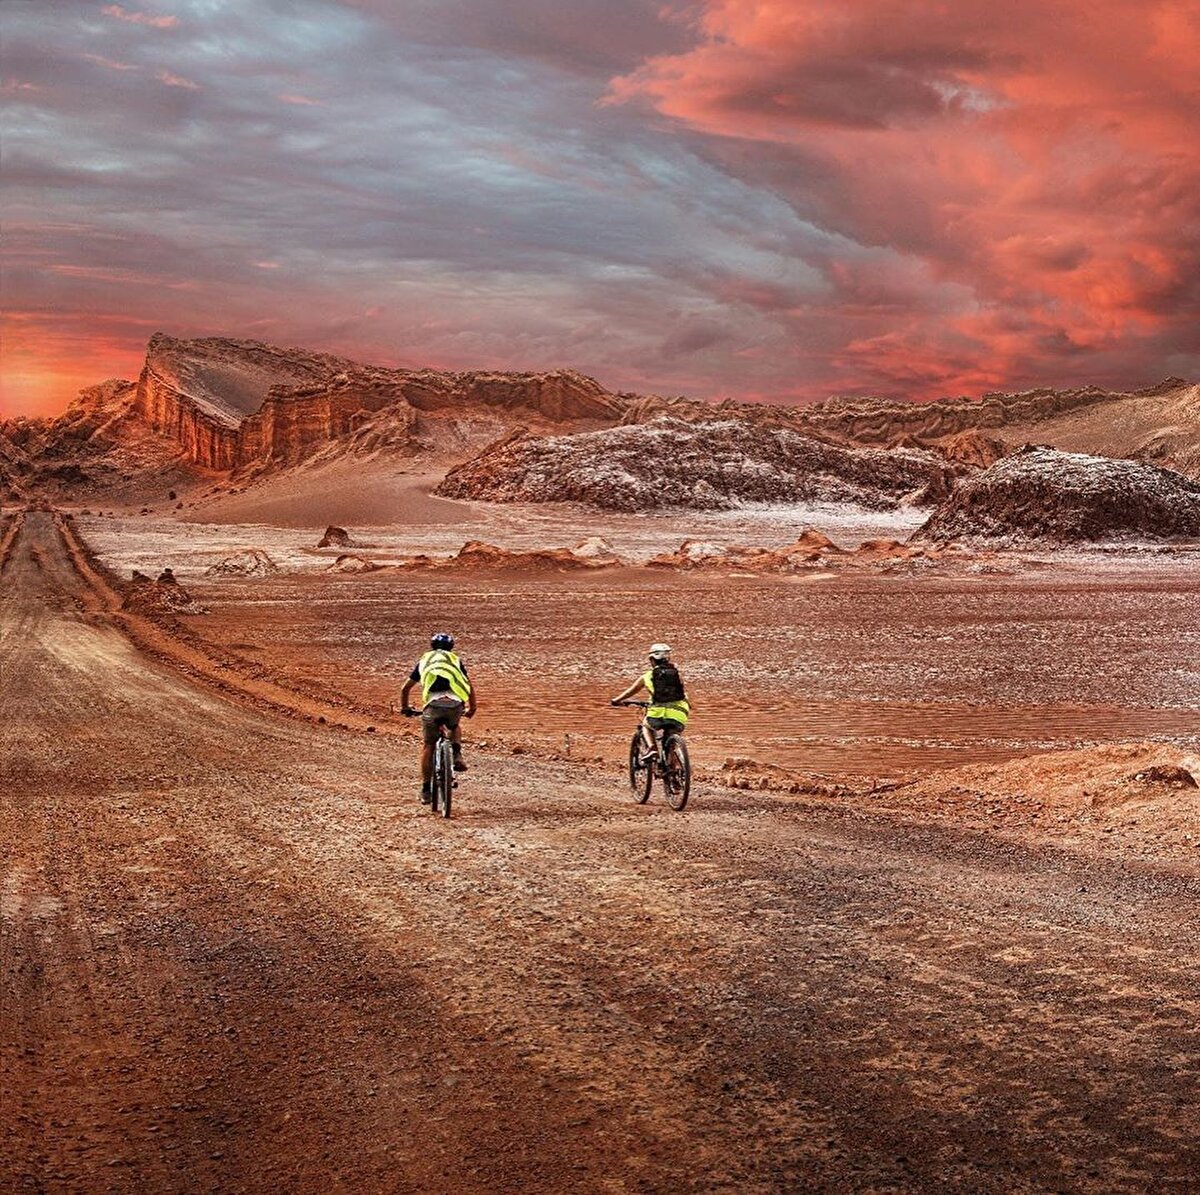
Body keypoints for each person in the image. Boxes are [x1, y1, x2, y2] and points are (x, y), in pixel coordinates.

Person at [400, 632, 476, 804]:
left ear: (432, 646)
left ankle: (426, 789)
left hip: (433, 705)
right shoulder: (455, 661)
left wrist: (405, 708)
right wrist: (473, 708)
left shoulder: (425, 661)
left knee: (428, 745)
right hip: (455, 703)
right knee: (454, 725)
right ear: (452, 647)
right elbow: (468, 685)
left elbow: (405, 688)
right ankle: (457, 754)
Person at [610, 643, 690, 760]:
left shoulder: (647, 676)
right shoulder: (677, 675)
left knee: (646, 725)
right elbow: (683, 693)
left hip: (657, 713)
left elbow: (630, 692)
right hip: (680, 713)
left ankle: (652, 748)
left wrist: (616, 700)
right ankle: (674, 765)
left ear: (652, 660)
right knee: (673, 735)